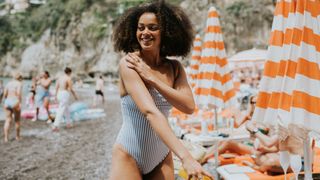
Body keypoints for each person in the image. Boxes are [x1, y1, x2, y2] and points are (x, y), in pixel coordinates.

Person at [110, 1, 213, 180]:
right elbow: (150, 112)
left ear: (166, 32)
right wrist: (186, 158)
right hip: (129, 153)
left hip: (161, 156)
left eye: (152, 27)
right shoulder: (129, 64)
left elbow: (188, 106)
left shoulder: (175, 67)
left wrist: (151, 78)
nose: (145, 33)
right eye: (140, 28)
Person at [52, 67, 78, 131]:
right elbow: (71, 89)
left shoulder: (60, 78)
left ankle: (68, 123)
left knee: (66, 109)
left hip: (59, 93)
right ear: (69, 72)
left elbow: (56, 87)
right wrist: (75, 96)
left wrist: (55, 96)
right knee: (61, 109)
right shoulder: (68, 78)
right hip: (64, 93)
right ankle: (55, 125)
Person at [3, 72, 23, 142]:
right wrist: (20, 102)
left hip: (7, 101)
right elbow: (18, 93)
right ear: (20, 78)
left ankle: (6, 138)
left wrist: (6, 100)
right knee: (17, 121)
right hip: (15, 101)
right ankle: (17, 137)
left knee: (7, 120)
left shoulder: (8, 83)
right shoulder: (19, 84)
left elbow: (5, 94)